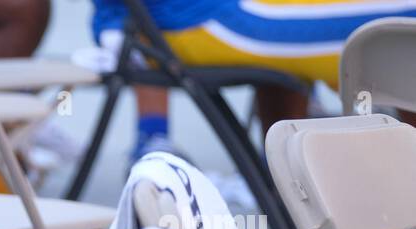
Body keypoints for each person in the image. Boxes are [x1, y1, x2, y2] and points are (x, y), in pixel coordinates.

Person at [92, 0, 416, 162]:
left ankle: (291, 201)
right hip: (191, 17)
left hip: (193, 15)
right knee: (406, 18)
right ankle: (397, 210)